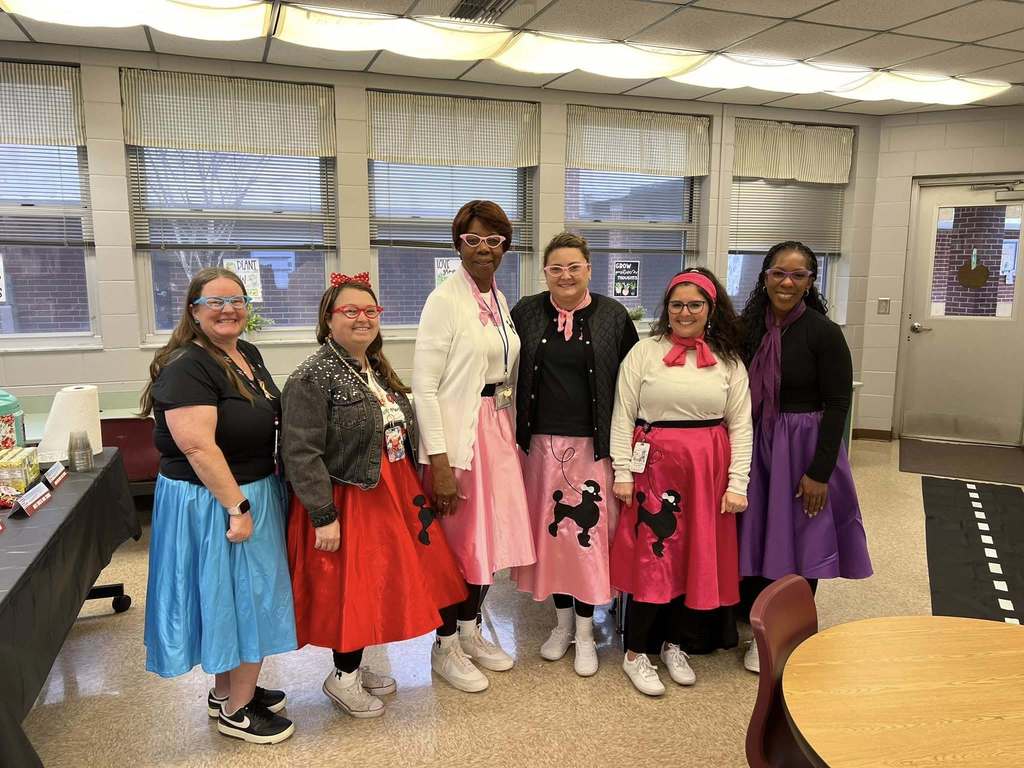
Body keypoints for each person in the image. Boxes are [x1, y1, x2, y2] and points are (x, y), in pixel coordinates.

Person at [282, 273, 468, 717]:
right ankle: (342, 675)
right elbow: (299, 451)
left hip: (393, 489)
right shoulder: (313, 375)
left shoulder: (374, 366)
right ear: (329, 320)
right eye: (350, 311)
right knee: (354, 588)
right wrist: (323, 514)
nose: (362, 318)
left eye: (370, 311)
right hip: (352, 496)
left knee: (383, 585)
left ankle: (356, 667)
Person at [141, 267, 296, 744]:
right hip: (216, 499)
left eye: (237, 300)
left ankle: (227, 690)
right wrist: (238, 507)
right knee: (249, 596)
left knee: (228, 598)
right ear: (194, 311)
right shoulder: (187, 365)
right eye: (215, 302)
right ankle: (238, 711)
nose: (228, 309)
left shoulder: (244, 352)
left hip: (248, 488)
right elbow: (199, 448)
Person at [609, 268, 752, 696]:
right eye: (676, 304)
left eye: (695, 304)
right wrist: (622, 471)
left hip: (708, 472)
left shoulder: (728, 361)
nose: (685, 312)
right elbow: (622, 413)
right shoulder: (644, 353)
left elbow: (741, 425)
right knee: (654, 559)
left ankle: (675, 644)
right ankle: (636, 653)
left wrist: (737, 482)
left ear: (710, 310)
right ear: (666, 309)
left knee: (696, 558)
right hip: (655, 468)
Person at [413, 200, 536, 691]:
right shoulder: (445, 300)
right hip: (459, 436)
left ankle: (470, 629)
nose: (484, 249)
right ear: (458, 245)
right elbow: (424, 387)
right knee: (458, 546)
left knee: (490, 541)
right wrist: (439, 463)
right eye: (473, 240)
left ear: (506, 247)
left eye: (494, 240)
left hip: (496, 428)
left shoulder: (499, 300)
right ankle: (444, 645)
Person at [737, 242, 872, 673]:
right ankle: (750, 620)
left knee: (801, 538)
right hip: (756, 441)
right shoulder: (746, 330)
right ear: (764, 276)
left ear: (811, 282)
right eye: (779, 273)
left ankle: (785, 629)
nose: (787, 282)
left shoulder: (824, 333)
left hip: (803, 447)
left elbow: (837, 406)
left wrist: (820, 471)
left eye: (798, 275)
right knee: (756, 531)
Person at [509, 232, 638, 676]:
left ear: (588, 269)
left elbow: (633, 382)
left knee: (586, 540)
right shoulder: (525, 311)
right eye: (556, 268)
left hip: (592, 449)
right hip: (541, 449)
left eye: (574, 267)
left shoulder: (613, 316)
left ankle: (586, 633)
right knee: (554, 542)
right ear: (545, 272)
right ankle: (561, 625)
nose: (565, 275)